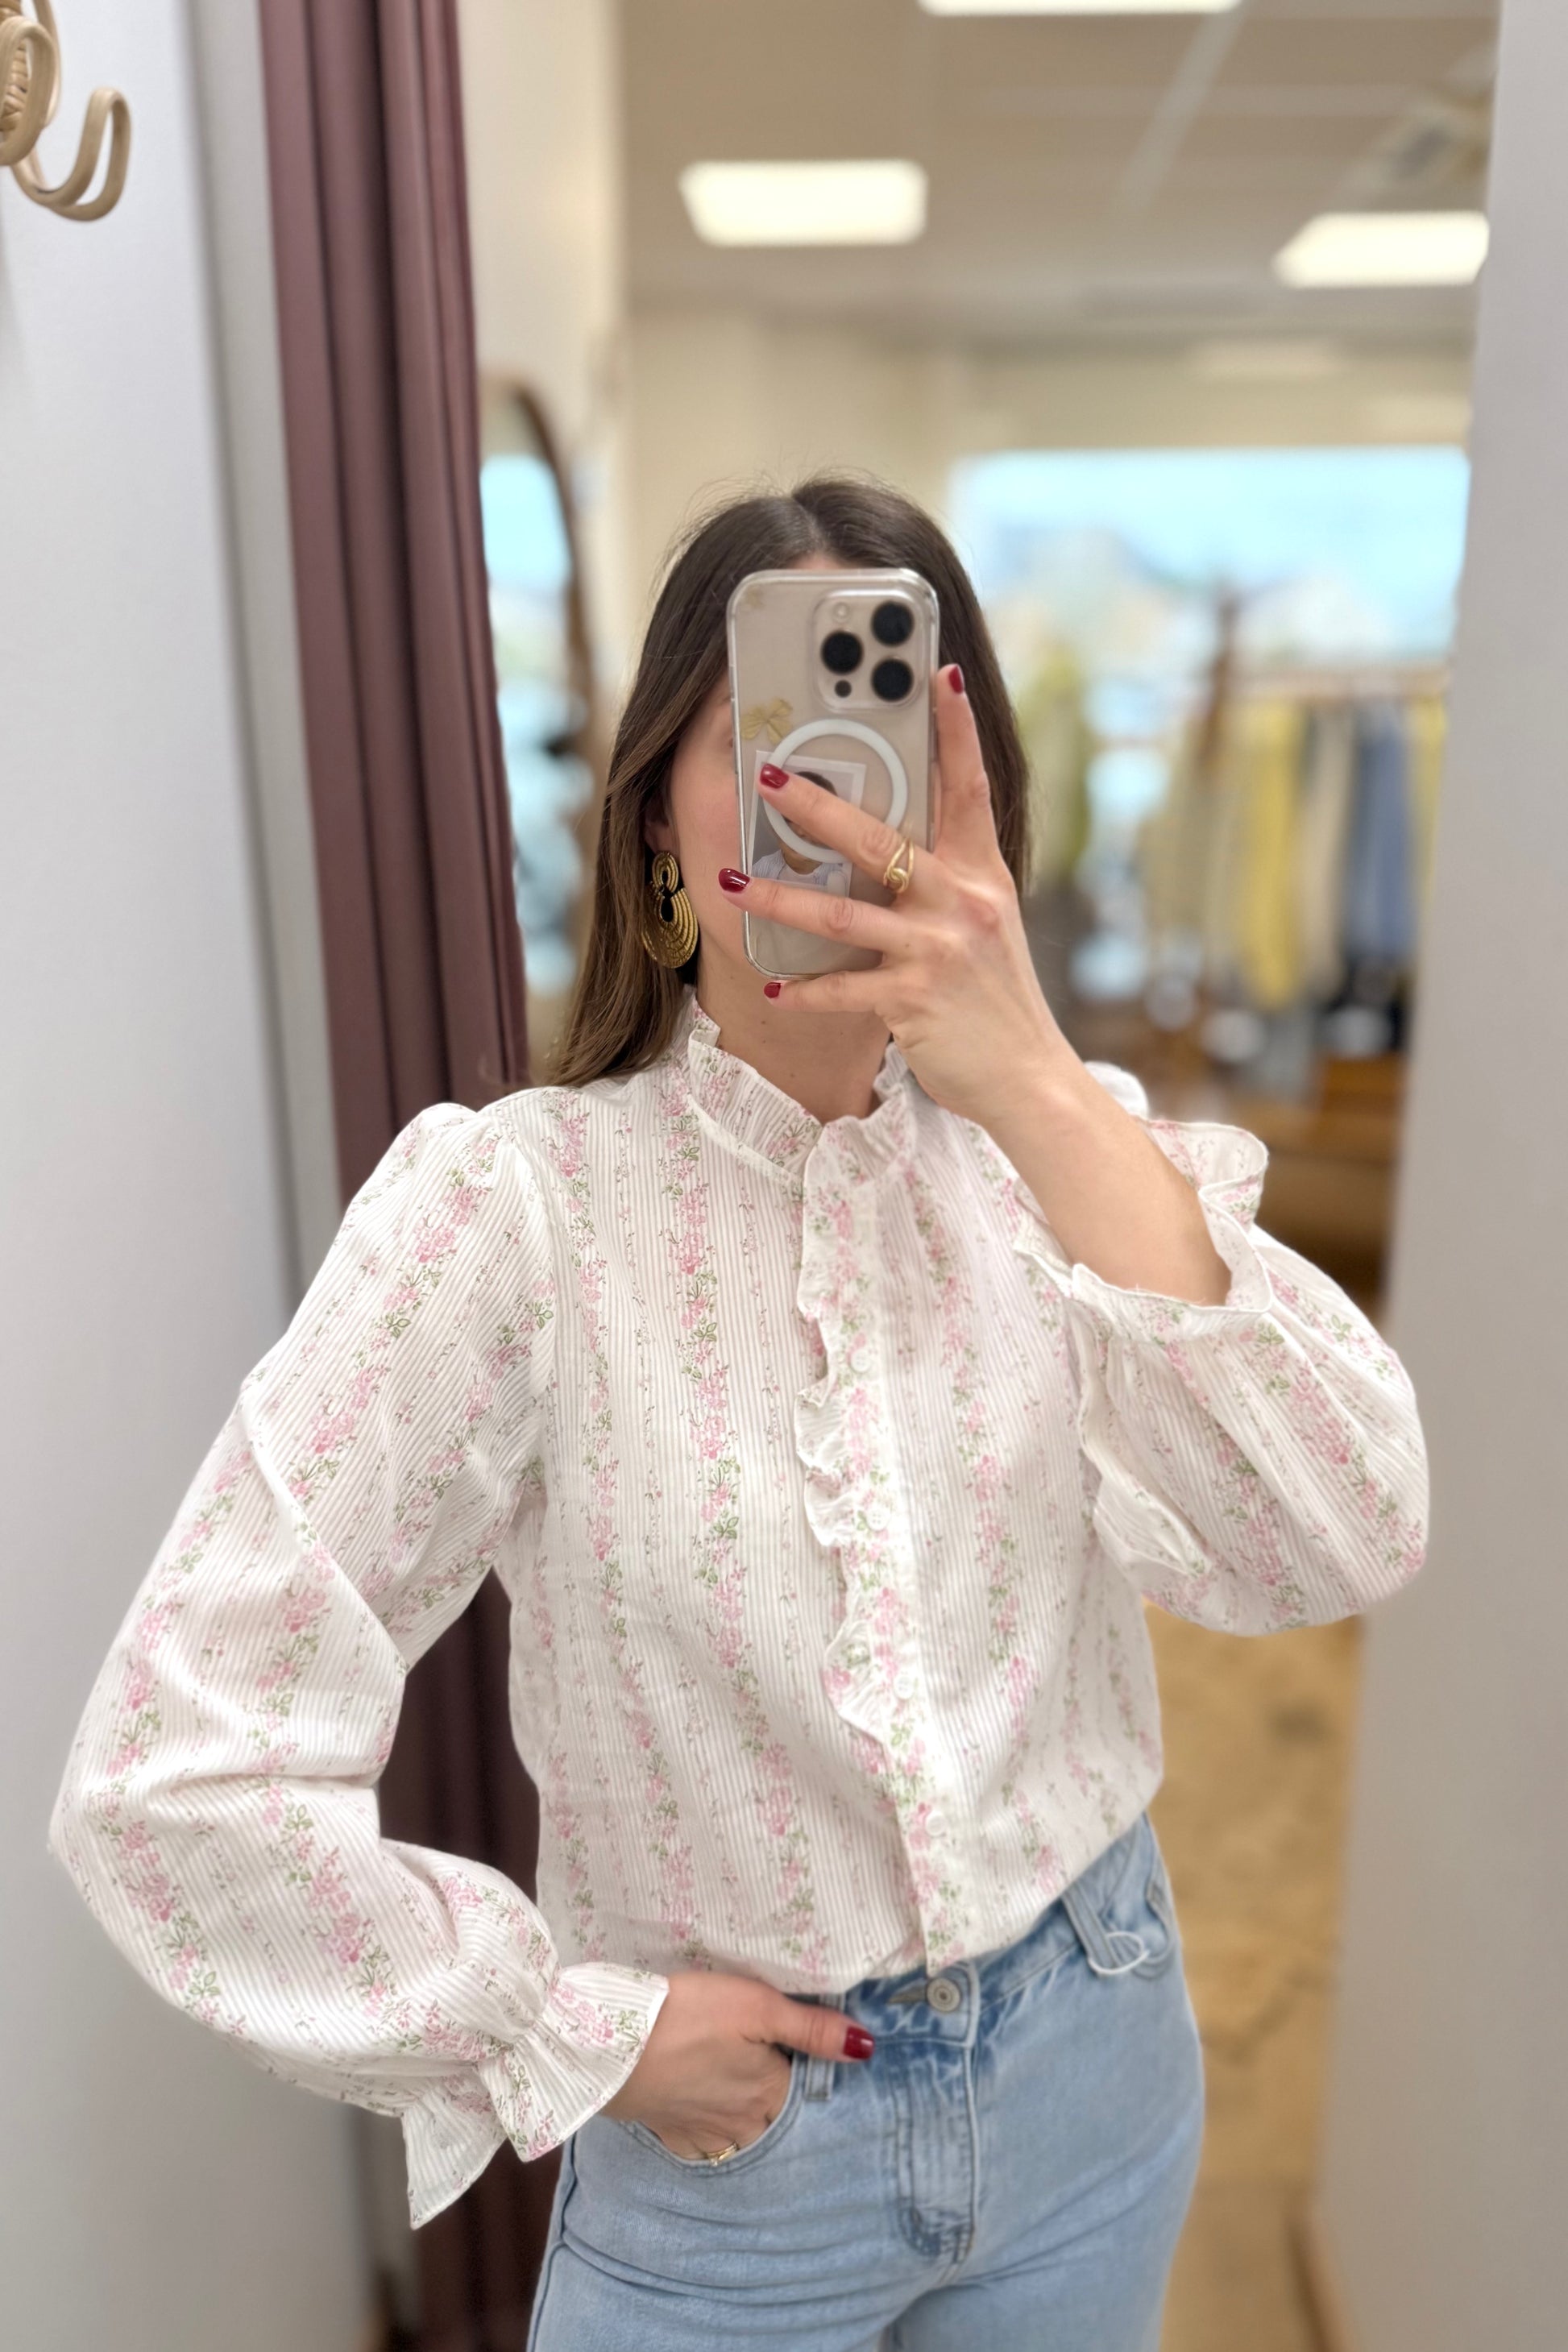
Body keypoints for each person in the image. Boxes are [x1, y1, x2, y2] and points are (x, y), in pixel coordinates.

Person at [48, 475, 1429, 2352]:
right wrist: (573, 2029)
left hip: (1097, 2063)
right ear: (654, 821)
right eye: (769, 735)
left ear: (981, 811)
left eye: (891, 735)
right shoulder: (514, 1212)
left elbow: (1347, 1530)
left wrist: (1033, 1078)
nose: (830, 793)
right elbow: (165, 1778)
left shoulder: (1069, 1158)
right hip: (734, 2162)